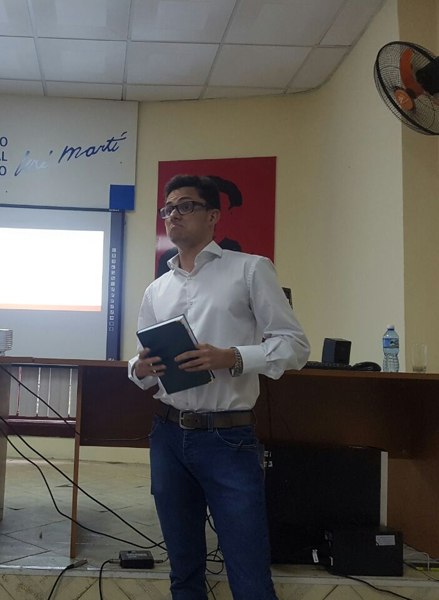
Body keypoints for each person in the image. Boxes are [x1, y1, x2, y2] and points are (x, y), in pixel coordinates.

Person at [129, 174, 310, 599]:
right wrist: (140, 368)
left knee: (248, 573)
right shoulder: (157, 289)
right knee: (183, 571)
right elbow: (139, 363)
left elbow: (295, 346)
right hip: (168, 436)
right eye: (168, 209)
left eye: (185, 206)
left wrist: (232, 357)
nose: (173, 215)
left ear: (213, 216)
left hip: (228, 437)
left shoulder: (250, 269)